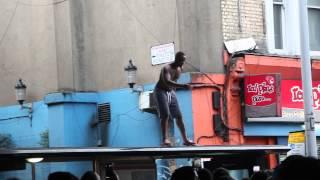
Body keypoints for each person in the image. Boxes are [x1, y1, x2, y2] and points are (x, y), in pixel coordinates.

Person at [154, 51, 195, 147]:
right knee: (165, 115)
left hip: (171, 92)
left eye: (183, 61)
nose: (182, 63)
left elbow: (174, 82)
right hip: (161, 91)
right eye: (181, 61)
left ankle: (185, 140)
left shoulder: (180, 68)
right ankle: (165, 139)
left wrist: (175, 91)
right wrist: (183, 86)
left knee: (179, 116)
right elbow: (168, 82)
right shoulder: (166, 68)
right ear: (176, 59)